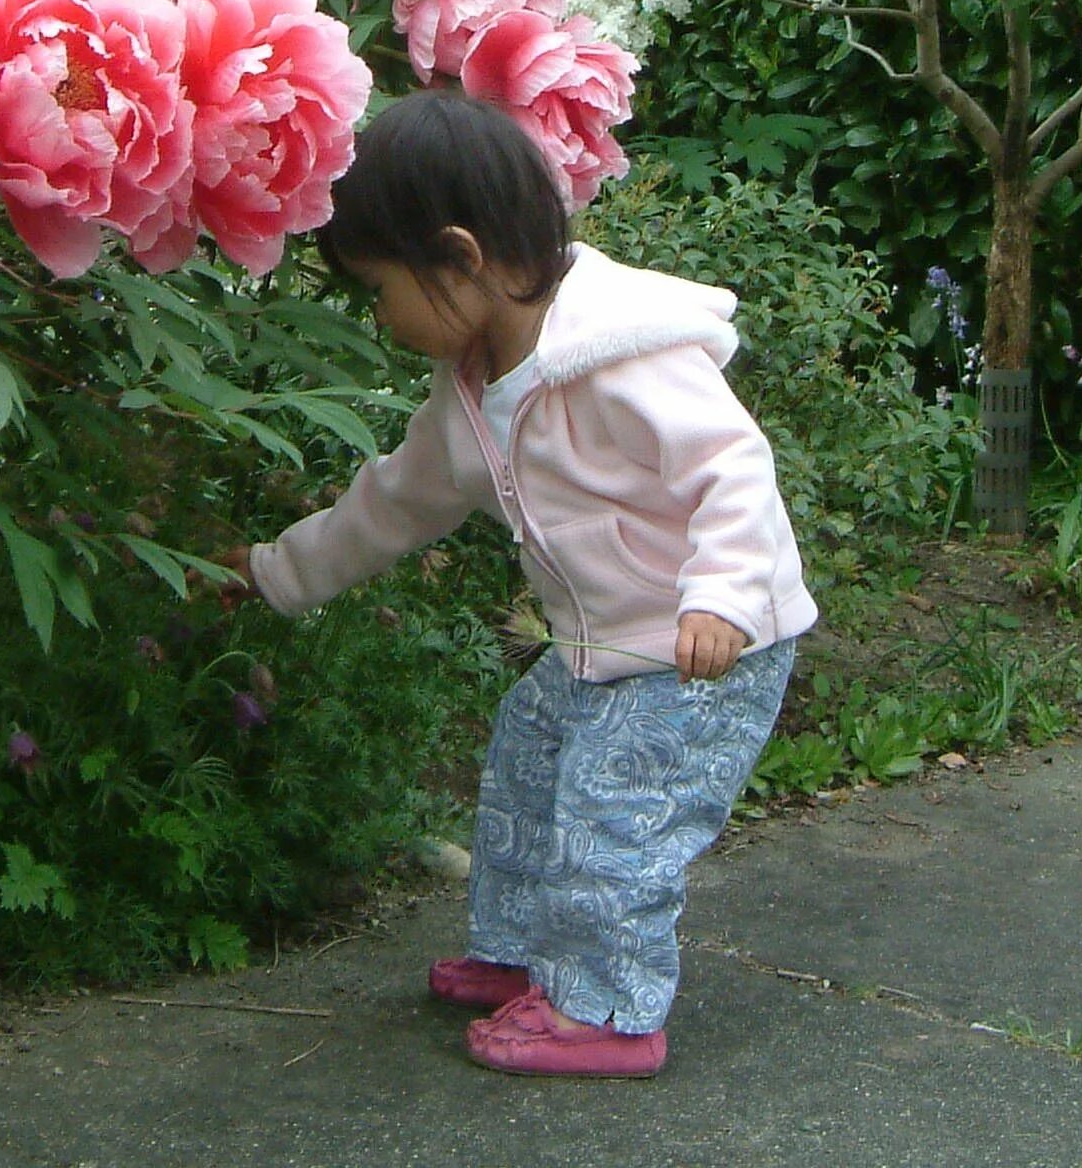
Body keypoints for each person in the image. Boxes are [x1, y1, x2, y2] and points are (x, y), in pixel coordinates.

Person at [231, 89, 817, 1079]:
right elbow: (394, 502)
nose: (381, 317)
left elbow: (732, 465)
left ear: (459, 258)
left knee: (613, 813)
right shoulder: (470, 388)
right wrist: (273, 573)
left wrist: (719, 594)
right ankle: (522, 952)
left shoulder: (618, 353)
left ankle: (609, 1010)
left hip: (703, 647)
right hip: (604, 649)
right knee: (528, 757)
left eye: (378, 289)